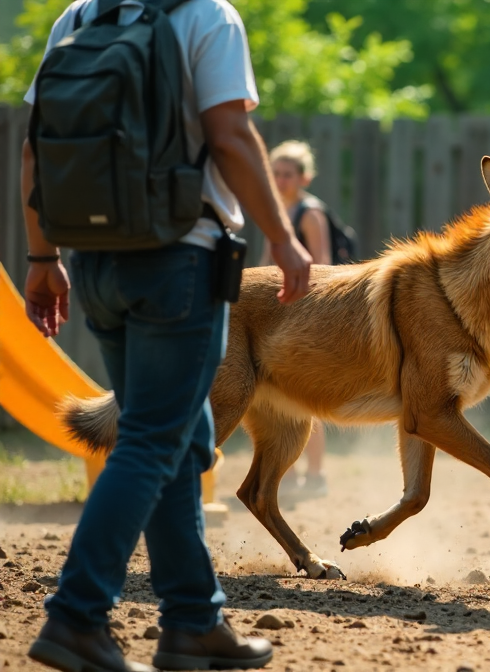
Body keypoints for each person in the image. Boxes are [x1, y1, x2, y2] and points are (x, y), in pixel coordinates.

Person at [21, 0, 312, 670]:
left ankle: (193, 623)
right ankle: (76, 616)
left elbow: (37, 146)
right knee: (153, 440)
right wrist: (282, 235)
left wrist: (42, 257)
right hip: (178, 259)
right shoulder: (209, 16)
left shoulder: (80, 16)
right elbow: (230, 136)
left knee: (181, 440)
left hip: (93, 262)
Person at [260, 140, 331, 500]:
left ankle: (315, 476)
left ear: (304, 177)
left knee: (307, 397)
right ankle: (286, 476)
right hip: (280, 314)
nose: (281, 180)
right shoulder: (276, 211)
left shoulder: (310, 213)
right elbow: (265, 265)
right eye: (276, 173)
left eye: (288, 174)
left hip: (305, 316)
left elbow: (323, 267)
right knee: (282, 398)